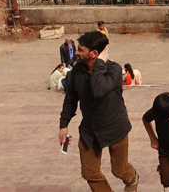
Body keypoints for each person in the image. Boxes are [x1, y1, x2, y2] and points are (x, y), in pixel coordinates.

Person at [58, 31, 139, 191]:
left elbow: (99, 89)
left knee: (119, 170)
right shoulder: (77, 72)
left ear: (94, 54)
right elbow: (71, 99)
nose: (77, 52)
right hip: (89, 130)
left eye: (81, 50)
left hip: (115, 128)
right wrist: (64, 124)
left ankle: (132, 178)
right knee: (89, 172)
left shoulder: (113, 70)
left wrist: (100, 63)